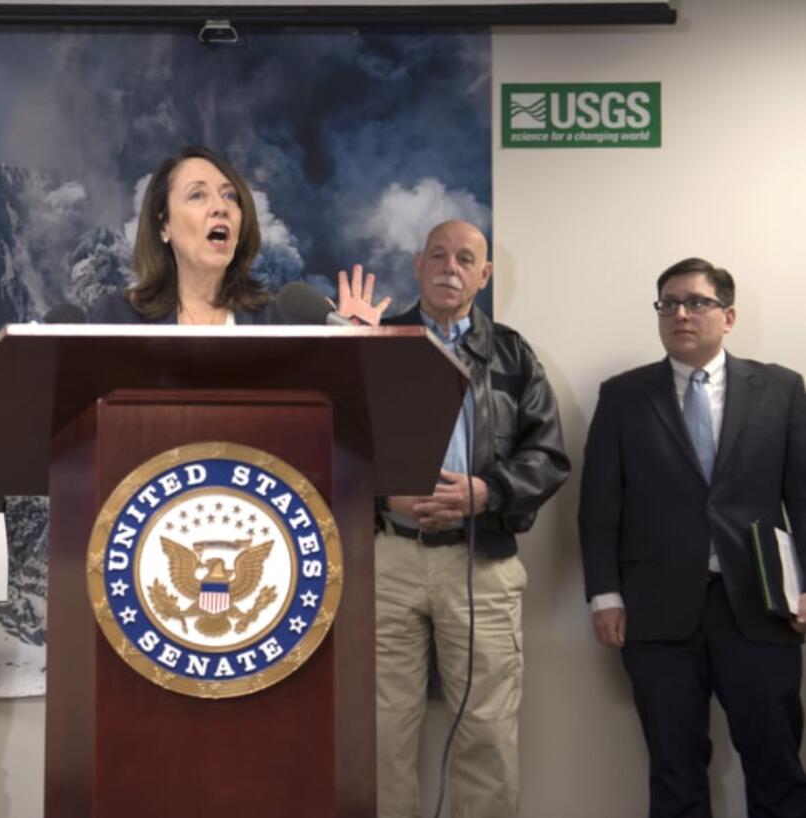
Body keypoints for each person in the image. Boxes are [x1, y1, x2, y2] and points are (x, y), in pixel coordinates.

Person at [578, 258, 806, 817]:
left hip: (762, 607)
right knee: (675, 771)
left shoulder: (782, 388)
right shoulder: (624, 396)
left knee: (776, 765)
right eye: (668, 304)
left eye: (696, 302)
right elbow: (599, 504)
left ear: (728, 316)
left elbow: (802, 496)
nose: (680, 313)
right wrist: (604, 594)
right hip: (655, 614)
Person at [374, 220, 569, 818]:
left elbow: (548, 455)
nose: (448, 267)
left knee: (485, 730)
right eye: (437, 255)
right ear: (417, 265)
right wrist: (384, 495)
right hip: (388, 560)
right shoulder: (377, 341)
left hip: (481, 561)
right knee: (379, 733)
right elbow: (335, 442)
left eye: (464, 258)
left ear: (484, 276)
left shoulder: (512, 353)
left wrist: (487, 491)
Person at [88, 145, 384, 326]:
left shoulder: (279, 319)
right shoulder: (118, 316)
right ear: (163, 226)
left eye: (230, 196)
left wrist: (350, 351)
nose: (221, 207)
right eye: (197, 195)